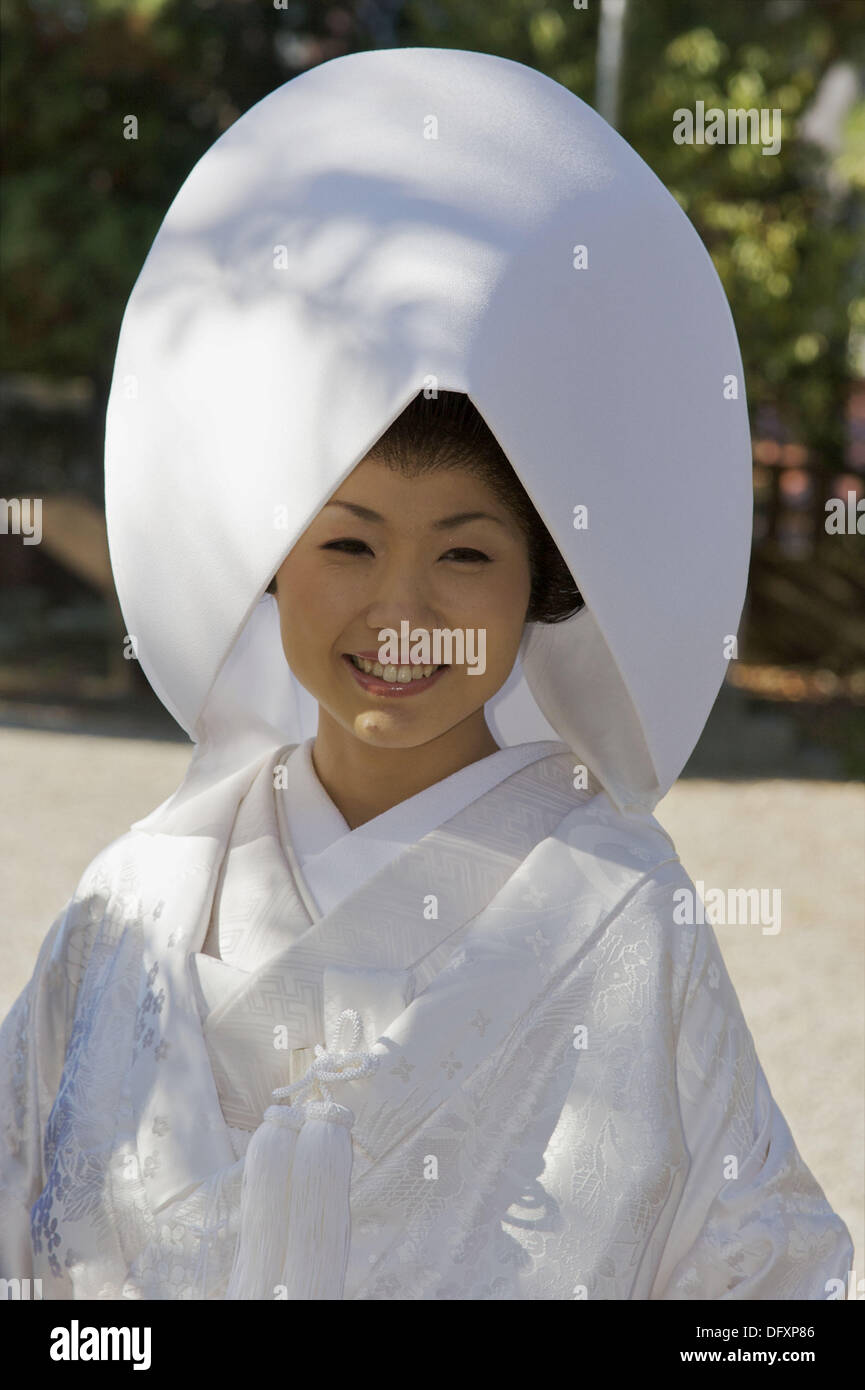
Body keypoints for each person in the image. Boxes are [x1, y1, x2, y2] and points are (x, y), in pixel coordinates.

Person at [0, 47, 852, 1300]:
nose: (401, 611)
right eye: (344, 542)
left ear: (540, 582)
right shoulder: (133, 906)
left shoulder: (619, 913)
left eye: (464, 551)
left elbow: (761, 1282)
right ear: (268, 562)